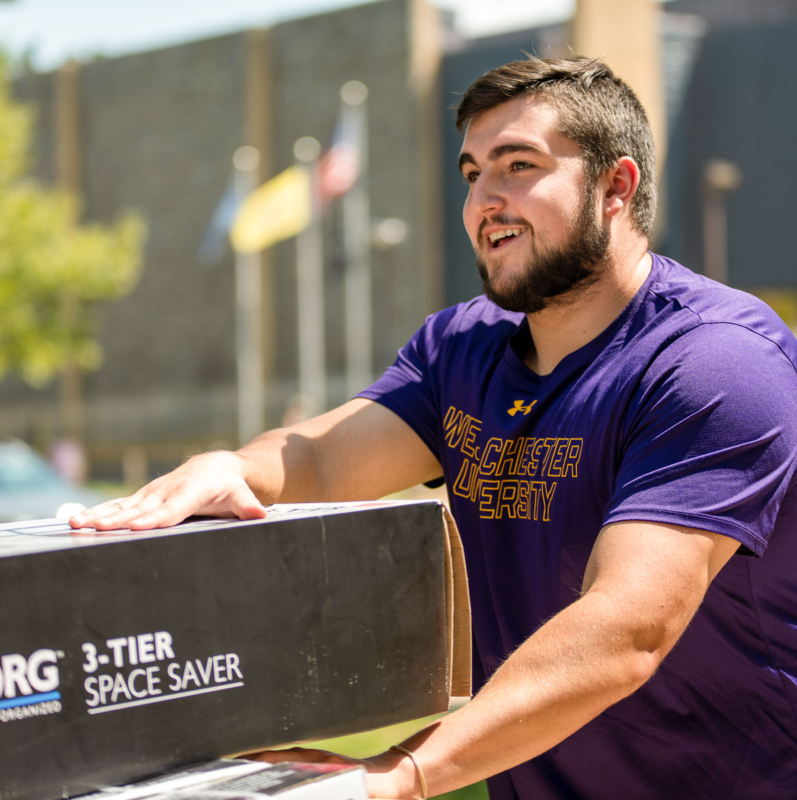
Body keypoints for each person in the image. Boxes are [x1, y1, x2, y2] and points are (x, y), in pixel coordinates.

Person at [71, 57, 797, 800]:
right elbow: (320, 459)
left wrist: (403, 774)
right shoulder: (462, 348)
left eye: (518, 166)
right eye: (472, 173)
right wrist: (235, 467)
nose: (486, 200)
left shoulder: (716, 361)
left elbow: (626, 628)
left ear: (615, 187)